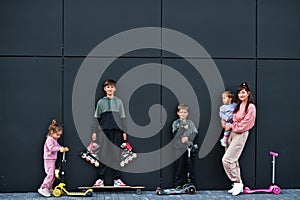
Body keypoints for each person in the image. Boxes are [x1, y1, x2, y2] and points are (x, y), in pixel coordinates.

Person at [222, 82, 256, 196]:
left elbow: (246, 124)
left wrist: (232, 126)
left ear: (248, 93)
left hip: (240, 134)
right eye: (239, 93)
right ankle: (238, 183)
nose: (241, 95)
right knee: (233, 160)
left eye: (243, 92)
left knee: (227, 159)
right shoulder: (238, 105)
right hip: (232, 133)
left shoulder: (250, 107)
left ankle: (237, 182)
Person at [92, 79, 127, 187]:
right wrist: (94, 132)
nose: (110, 89)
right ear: (105, 89)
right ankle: (100, 180)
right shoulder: (101, 102)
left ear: (115, 89)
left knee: (116, 156)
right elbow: (96, 118)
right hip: (103, 133)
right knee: (103, 156)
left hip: (116, 133)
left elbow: (122, 118)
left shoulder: (119, 102)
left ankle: (117, 180)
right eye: (108, 87)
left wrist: (124, 132)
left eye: (112, 87)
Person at [38, 119, 69, 197]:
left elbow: (57, 146)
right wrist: (60, 149)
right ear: (52, 132)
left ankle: (49, 188)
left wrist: (63, 148)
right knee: (50, 174)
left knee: (53, 175)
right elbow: (51, 148)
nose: (58, 137)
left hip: (52, 160)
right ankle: (43, 187)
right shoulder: (49, 139)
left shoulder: (54, 139)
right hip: (48, 159)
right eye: (57, 135)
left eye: (59, 135)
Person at [172, 104, 198, 189]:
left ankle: (191, 183)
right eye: (181, 112)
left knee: (190, 166)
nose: (183, 114)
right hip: (179, 147)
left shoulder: (190, 123)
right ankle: (178, 184)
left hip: (189, 148)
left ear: (187, 113)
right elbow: (175, 135)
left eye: (184, 112)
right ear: (178, 113)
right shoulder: (176, 123)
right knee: (179, 166)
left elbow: (194, 133)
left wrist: (188, 138)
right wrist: (183, 128)